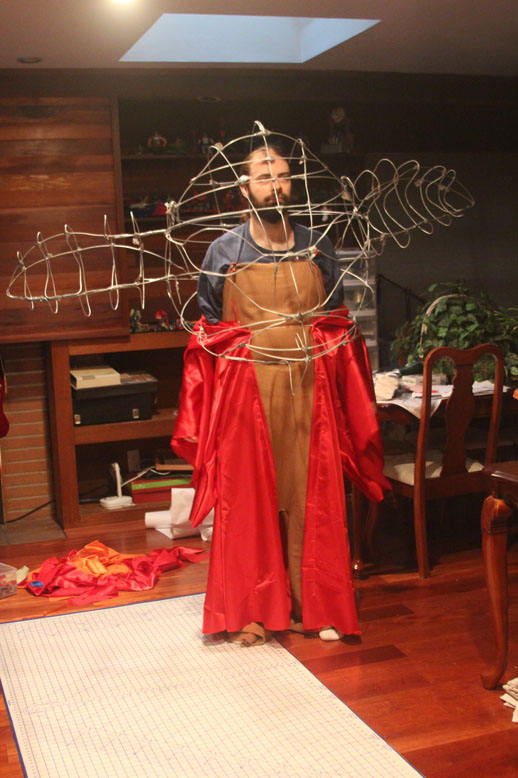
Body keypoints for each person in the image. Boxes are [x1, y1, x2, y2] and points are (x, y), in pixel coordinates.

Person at [172, 142, 389, 646]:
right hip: (246, 390)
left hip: (309, 390)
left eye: (284, 176)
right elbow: (211, 324)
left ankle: (315, 605)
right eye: (265, 177)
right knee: (248, 499)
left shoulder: (317, 246)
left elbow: (334, 317)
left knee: (312, 496)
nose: (276, 185)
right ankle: (251, 610)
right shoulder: (223, 251)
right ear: (244, 187)